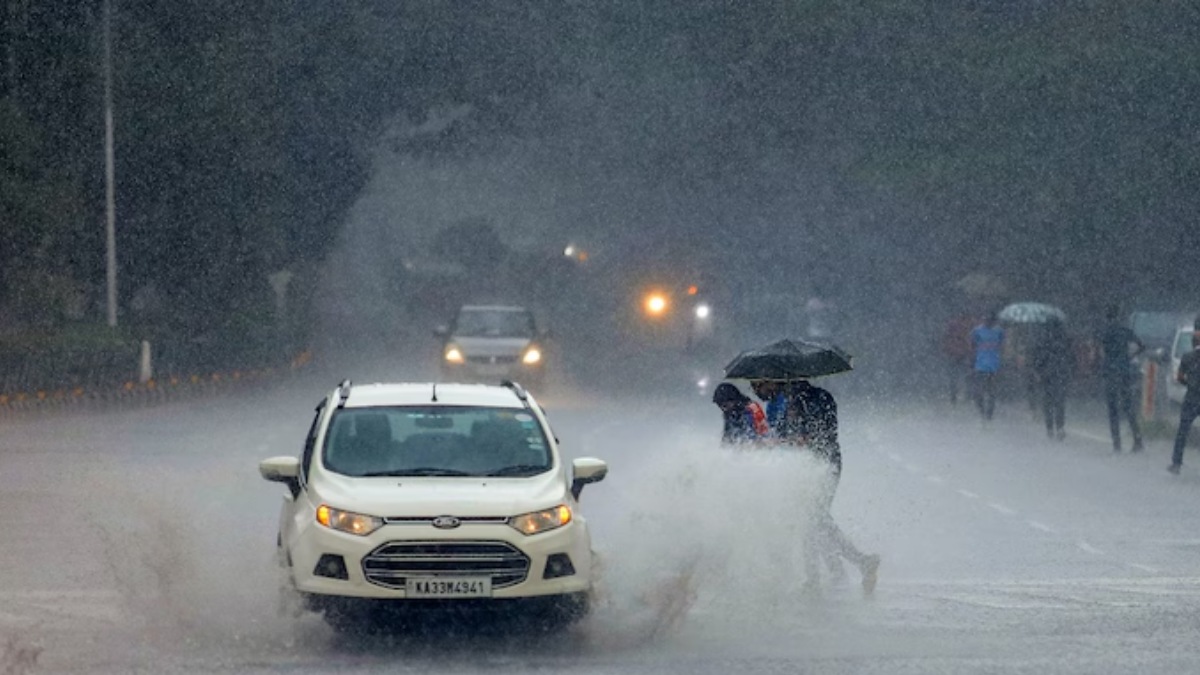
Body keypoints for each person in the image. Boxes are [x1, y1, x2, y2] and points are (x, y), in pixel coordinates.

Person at [784, 379, 881, 595]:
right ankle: (831, 571)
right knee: (814, 521)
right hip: (828, 463)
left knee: (814, 520)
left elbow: (814, 434)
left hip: (819, 466)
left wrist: (800, 437)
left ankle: (856, 563)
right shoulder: (822, 397)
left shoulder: (805, 402)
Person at [1097, 306, 1145, 452]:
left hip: (1110, 373)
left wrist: (1106, 361)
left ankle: (1117, 444)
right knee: (1128, 406)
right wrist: (1129, 356)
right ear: (1118, 316)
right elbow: (1141, 345)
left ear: (1107, 317)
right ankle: (1137, 440)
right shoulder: (1125, 330)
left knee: (1113, 409)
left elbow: (1100, 351)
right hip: (1125, 371)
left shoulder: (1105, 332)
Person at [1031, 318, 1074, 440]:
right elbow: (1071, 357)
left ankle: (1049, 428)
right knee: (1060, 402)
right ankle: (1060, 427)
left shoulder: (1043, 340)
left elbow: (1038, 358)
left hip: (1047, 375)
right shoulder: (1066, 340)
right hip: (1061, 374)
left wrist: (1037, 371)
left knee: (1048, 402)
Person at [1168, 324, 1200, 475]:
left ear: (1193, 343)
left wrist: (1189, 384)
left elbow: (1179, 377)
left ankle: (1176, 463)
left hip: (1192, 397)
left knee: (1183, 431)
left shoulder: (1187, 357)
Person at [971, 312, 1005, 421]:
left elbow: (1002, 344)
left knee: (991, 392)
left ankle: (989, 415)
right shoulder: (977, 331)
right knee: (979, 392)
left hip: (993, 366)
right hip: (980, 365)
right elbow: (972, 344)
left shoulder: (999, 331)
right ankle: (982, 412)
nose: (988, 322)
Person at [940, 314, 976, 405]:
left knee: (954, 377)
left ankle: (955, 396)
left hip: (954, 354)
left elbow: (945, 339)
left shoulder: (952, 327)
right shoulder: (967, 327)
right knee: (965, 375)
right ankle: (965, 395)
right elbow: (969, 341)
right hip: (962, 354)